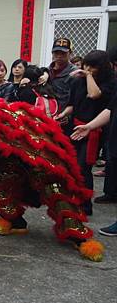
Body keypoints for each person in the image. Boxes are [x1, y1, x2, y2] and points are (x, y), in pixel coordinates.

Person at [57, 50, 115, 215]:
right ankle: (72, 199)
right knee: (69, 166)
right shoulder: (77, 82)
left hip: (94, 130)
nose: (87, 68)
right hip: (75, 128)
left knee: (83, 168)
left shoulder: (109, 83)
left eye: (92, 67)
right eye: (86, 65)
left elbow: (94, 94)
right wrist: (61, 115)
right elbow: (72, 105)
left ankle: (85, 205)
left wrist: (88, 76)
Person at [48, 37, 77, 113]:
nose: (59, 56)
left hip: (65, 115)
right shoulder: (47, 71)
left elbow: (76, 99)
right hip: (47, 114)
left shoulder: (75, 73)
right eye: (56, 52)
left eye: (63, 53)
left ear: (70, 54)